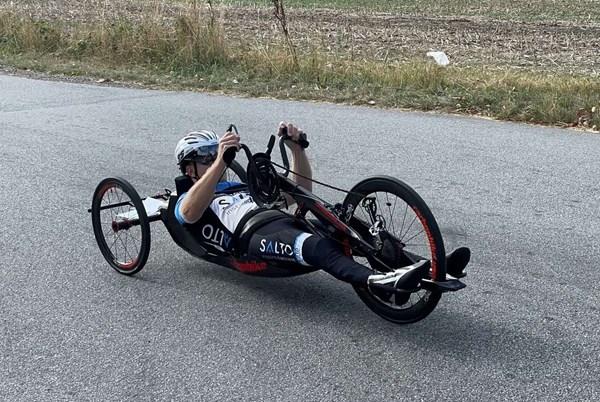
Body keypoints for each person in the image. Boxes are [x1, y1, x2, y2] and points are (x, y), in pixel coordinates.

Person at [173, 122, 470, 300]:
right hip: (251, 238)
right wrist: (220, 162)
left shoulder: (241, 185)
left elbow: (300, 192)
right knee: (312, 245)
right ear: (189, 168)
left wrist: (297, 149)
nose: (215, 158)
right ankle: (376, 281)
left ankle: (431, 265)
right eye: (206, 156)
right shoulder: (190, 196)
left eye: (216, 152)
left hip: (281, 219)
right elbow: (188, 214)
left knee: (343, 222)